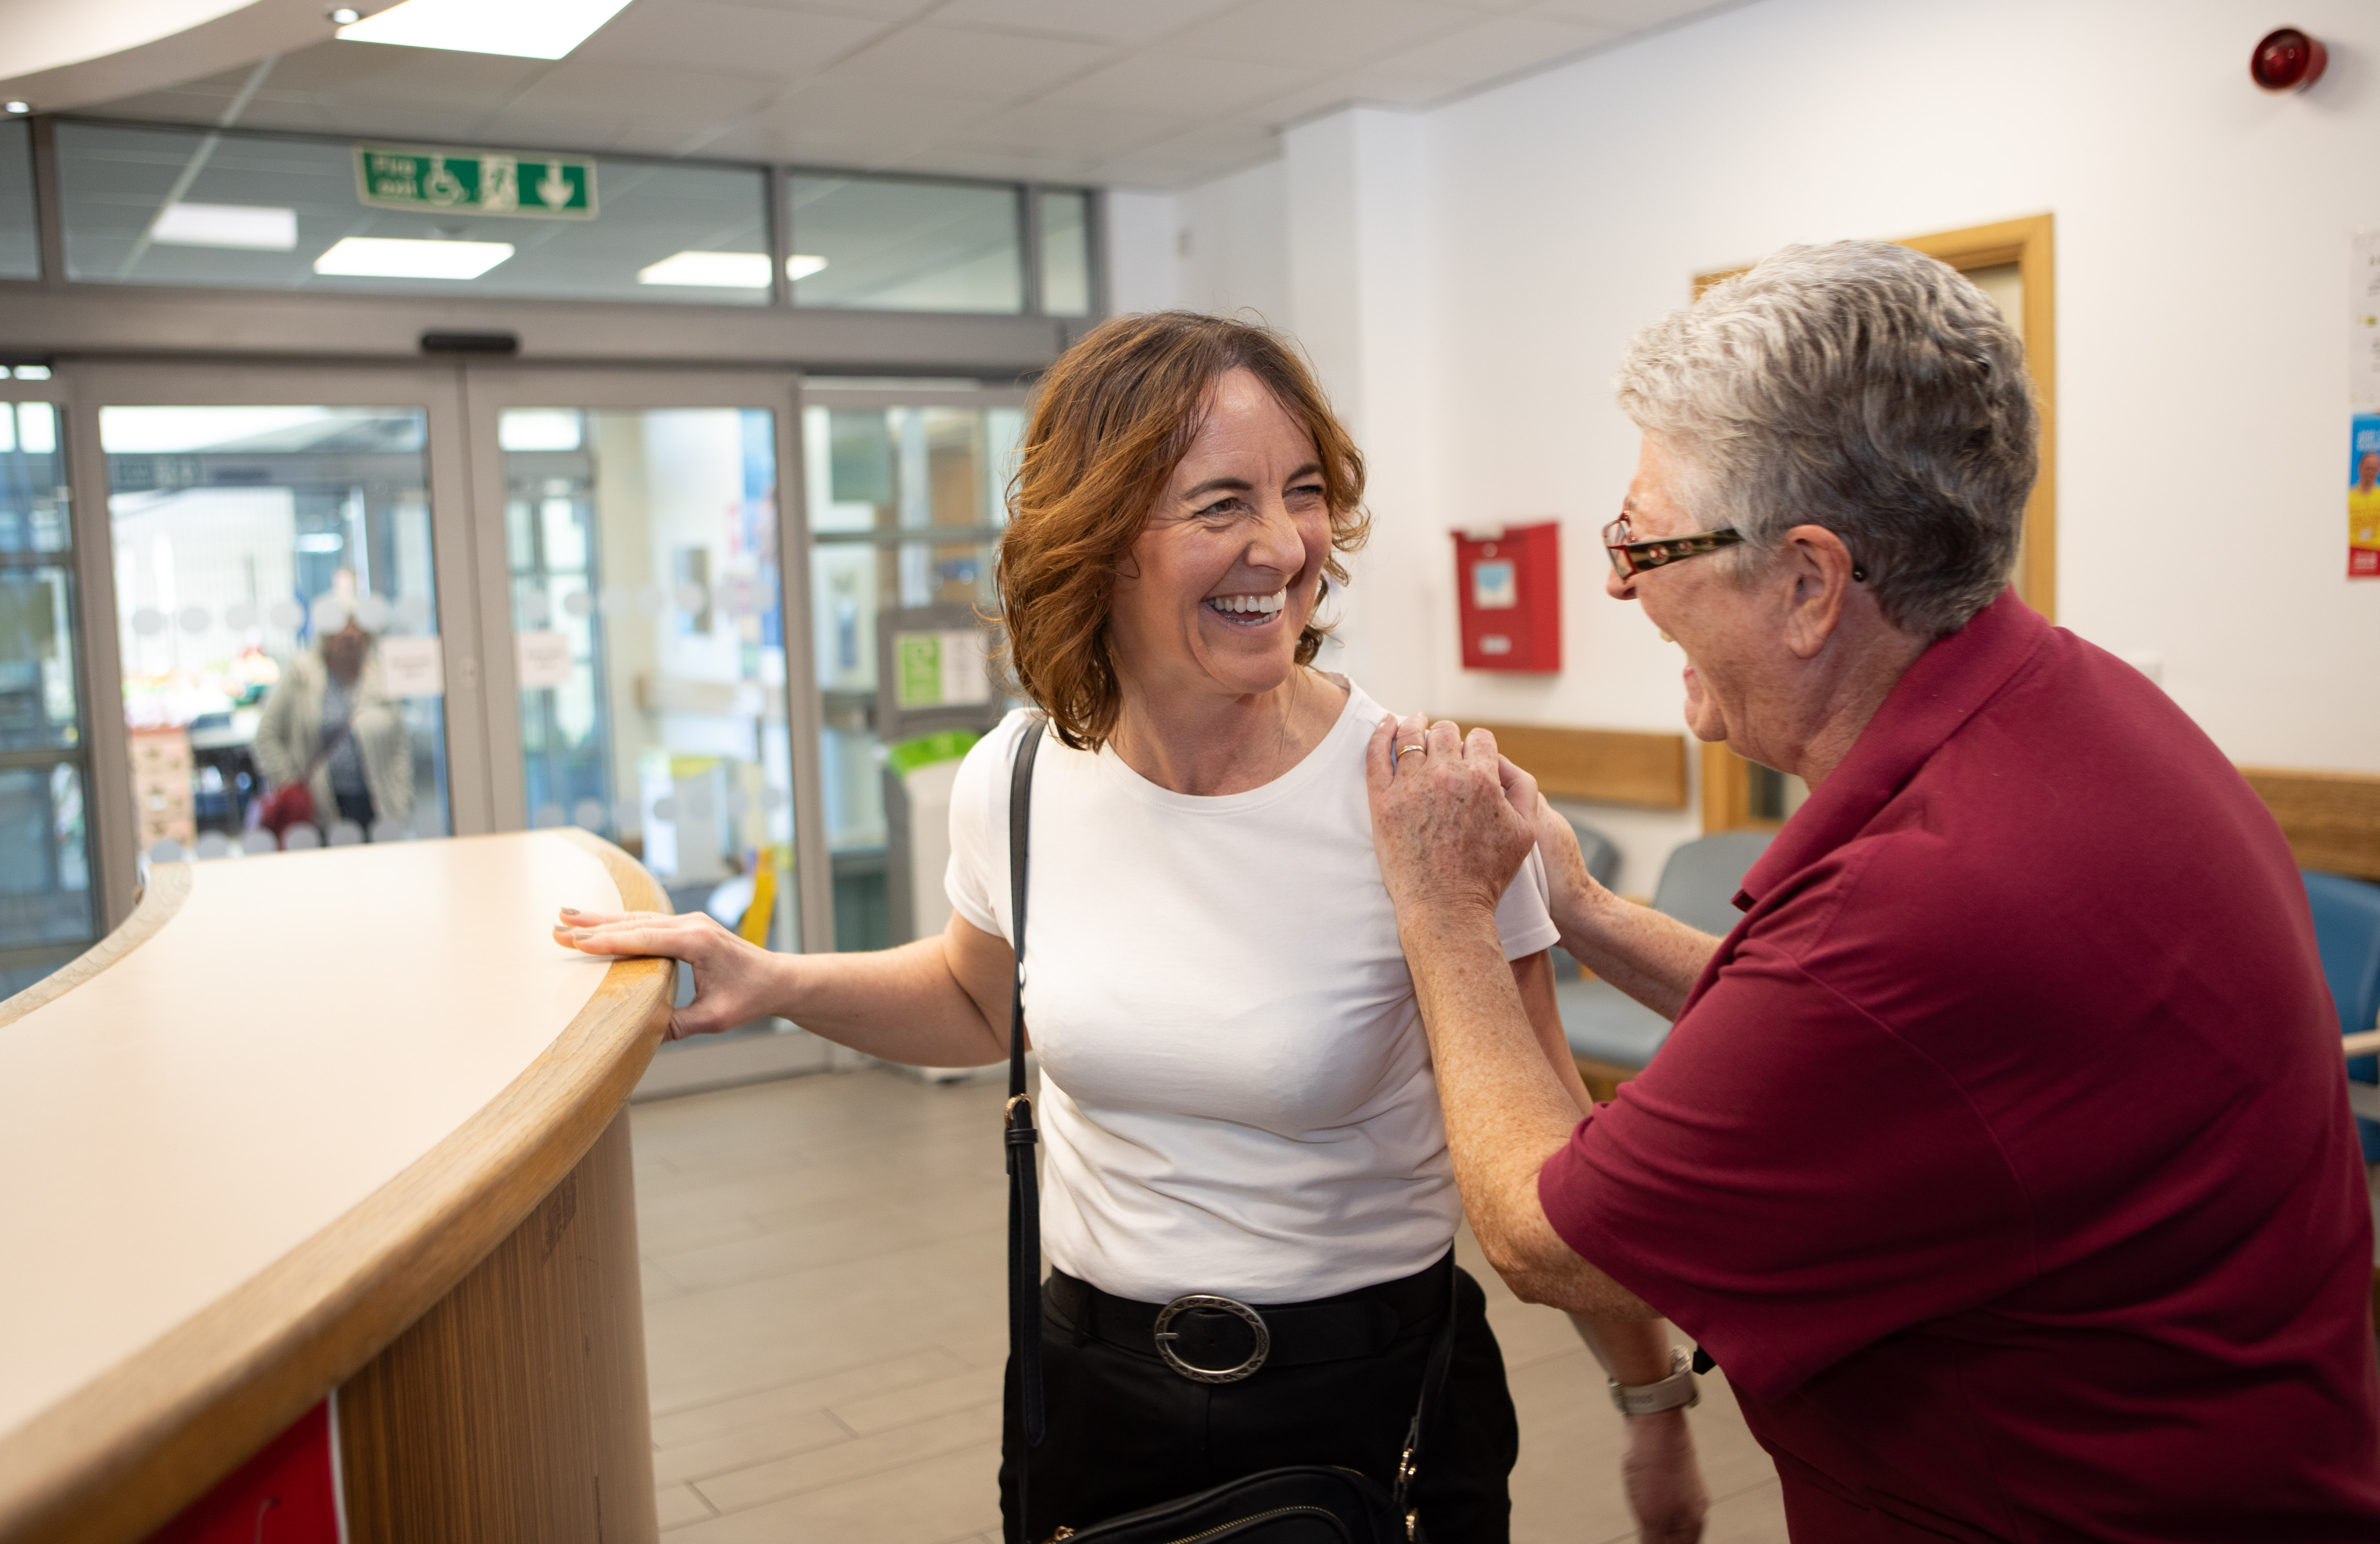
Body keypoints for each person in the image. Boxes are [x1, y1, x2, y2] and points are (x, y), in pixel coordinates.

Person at [553, 312, 1683, 1541]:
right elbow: (983, 1001)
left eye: (1303, 494)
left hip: (1371, 1405)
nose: (1285, 544)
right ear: (1098, 539)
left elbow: (1553, 1153)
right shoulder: (1024, 777)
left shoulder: (1423, 801)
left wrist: (1652, 1399)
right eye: (1221, 504)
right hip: (1090, 1395)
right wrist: (771, 979)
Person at [1363, 242, 2380, 1540]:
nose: (1618, 580)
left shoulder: (1931, 904)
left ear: (1805, 582)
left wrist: (1444, 917)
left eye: (1645, 537)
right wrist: (1587, 911)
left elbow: (1543, 1234)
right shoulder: (2073, 709)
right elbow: (1839, 1052)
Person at [253, 615, 412, 833]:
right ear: (327, 640)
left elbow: (399, 743)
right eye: (346, 639)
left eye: (359, 639)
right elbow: (266, 735)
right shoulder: (302, 676)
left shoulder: (379, 678)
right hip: (319, 805)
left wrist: (401, 798)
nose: (353, 646)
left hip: (375, 802)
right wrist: (288, 783)